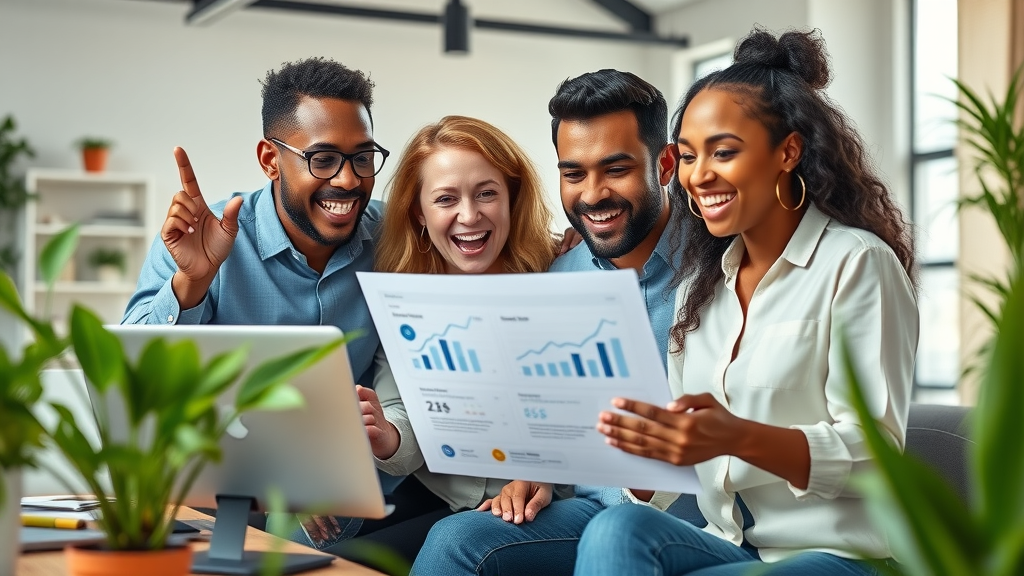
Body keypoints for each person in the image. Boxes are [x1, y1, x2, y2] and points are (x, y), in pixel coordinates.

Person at [574, 28, 918, 576]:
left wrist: (737, 435)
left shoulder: (856, 264)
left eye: (723, 152)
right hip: (730, 543)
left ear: (788, 152)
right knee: (616, 527)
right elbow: (684, 460)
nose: (699, 175)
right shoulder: (700, 286)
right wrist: (648, 462)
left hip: (836, 557)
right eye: (687, 156)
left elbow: (876, 458)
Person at [411, 69, 689, 576]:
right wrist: (534, 465)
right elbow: (554, 406)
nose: (593, 193)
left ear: (665, 164)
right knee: (458, 539)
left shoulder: (720, 262)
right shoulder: (562, 271)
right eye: (574, 173)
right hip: (589, 505)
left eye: (616, 168)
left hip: (690, 513)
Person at [122, 57, 410, 543]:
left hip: (332, 474)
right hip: (219, 470)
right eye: (322, 159)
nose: (347, 180)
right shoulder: (207, 237)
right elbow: (130, 377)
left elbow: (474, 251)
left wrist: (552, 245)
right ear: (270, 159)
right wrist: (192, 282)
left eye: (362, 158)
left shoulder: (393, 237)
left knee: (298, 527)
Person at [335, 115, 561, 565]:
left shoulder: (559, 280)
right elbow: (406, 419)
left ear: (512, 197)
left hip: (538, 507)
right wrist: (387, 435)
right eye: (445, 199)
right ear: (419, 213)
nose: (469, 216)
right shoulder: (406, 301)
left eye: (487, 193)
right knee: (321, 557)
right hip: (449, 500)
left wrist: (541, 470)